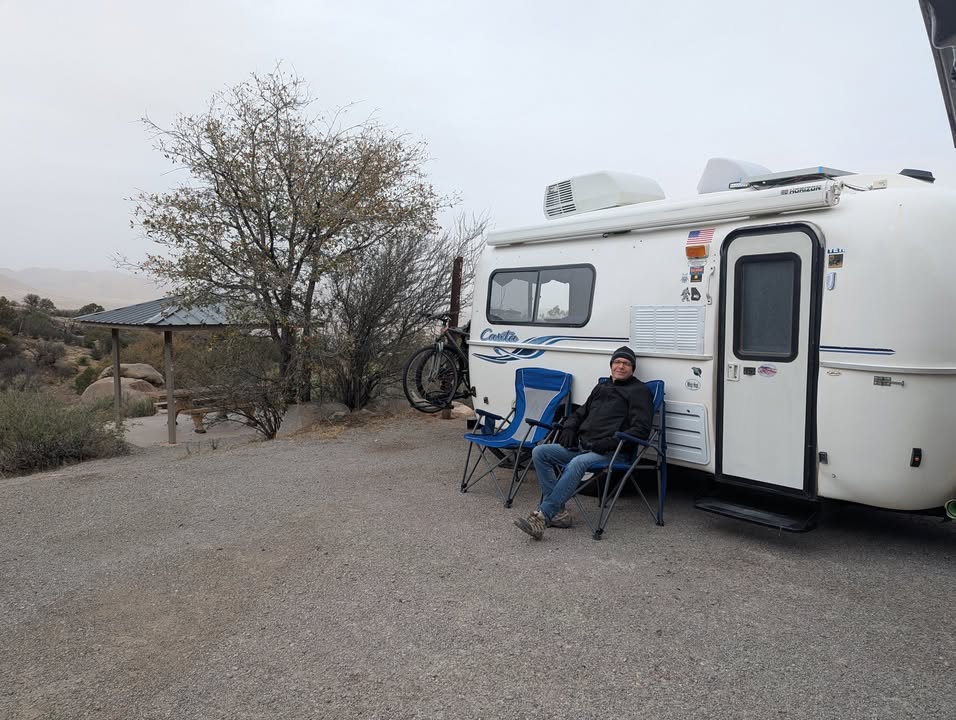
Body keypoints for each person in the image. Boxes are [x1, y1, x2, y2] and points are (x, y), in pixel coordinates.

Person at [514, 346, 653, 540]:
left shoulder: (639, 391)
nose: (621, 366)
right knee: (540, 452)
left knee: (577, 463)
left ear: (632, 368)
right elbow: (581, 412)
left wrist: (610, 442)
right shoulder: (602, 387)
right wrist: (569, 427)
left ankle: (543, 516)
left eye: (626, 363)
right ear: (611, 365)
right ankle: (558, 513)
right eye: (617, 362)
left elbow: (641, 429)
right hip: (583, 446)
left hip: (612, 451)